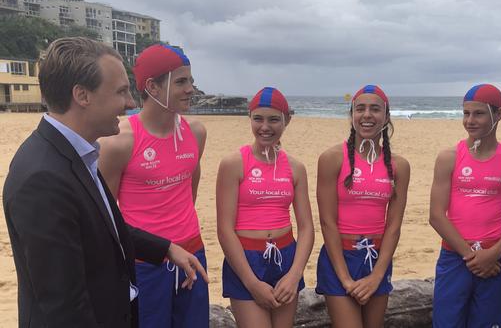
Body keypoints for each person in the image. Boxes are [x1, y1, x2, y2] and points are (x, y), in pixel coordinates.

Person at [2, 37, 208, 328]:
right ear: (82, 96)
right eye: (121, 91)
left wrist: (165, 248)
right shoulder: (42, 178)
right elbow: (63, 306)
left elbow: (105, 226)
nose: (129, 103)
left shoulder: (77, 153)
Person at [98, 44, 209, 327]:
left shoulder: (195, 132)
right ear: (153, 87)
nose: (191, 89)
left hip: (192, 253)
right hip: (145, 262)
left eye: (191, 81)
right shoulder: (118, 141)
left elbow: (189, 192)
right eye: (181, 81)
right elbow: (107, 217)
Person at [429, 83, 501, 327]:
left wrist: (493, 254)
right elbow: (436, 215)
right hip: (455, 258)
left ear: (499, 114)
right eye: (466, 113)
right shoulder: (448, 157)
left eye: (479, 113)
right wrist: (471, 256)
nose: (470, 120)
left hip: (495, 260)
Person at [216, 87, 314, 328]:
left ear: (287, 120)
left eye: (273, 119)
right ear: (249, 118)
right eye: (258, 118)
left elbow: (306, 227)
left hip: (285, 259)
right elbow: (225, 230)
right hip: (246, 260)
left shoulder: (295, 168)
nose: (265, 127)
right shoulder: (234, 164)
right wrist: (251, 283)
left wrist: (295, 274)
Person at [316, 85, 410, 328]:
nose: (367, 115)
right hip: (340, 258)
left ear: (386, 116)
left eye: (375, 109)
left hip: (376, 259)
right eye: (360, 109)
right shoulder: (332, 158)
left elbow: (394, 226)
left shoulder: (399, 166)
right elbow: (327, 222)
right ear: (352, 114)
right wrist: (345, 279)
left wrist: (377, 274)